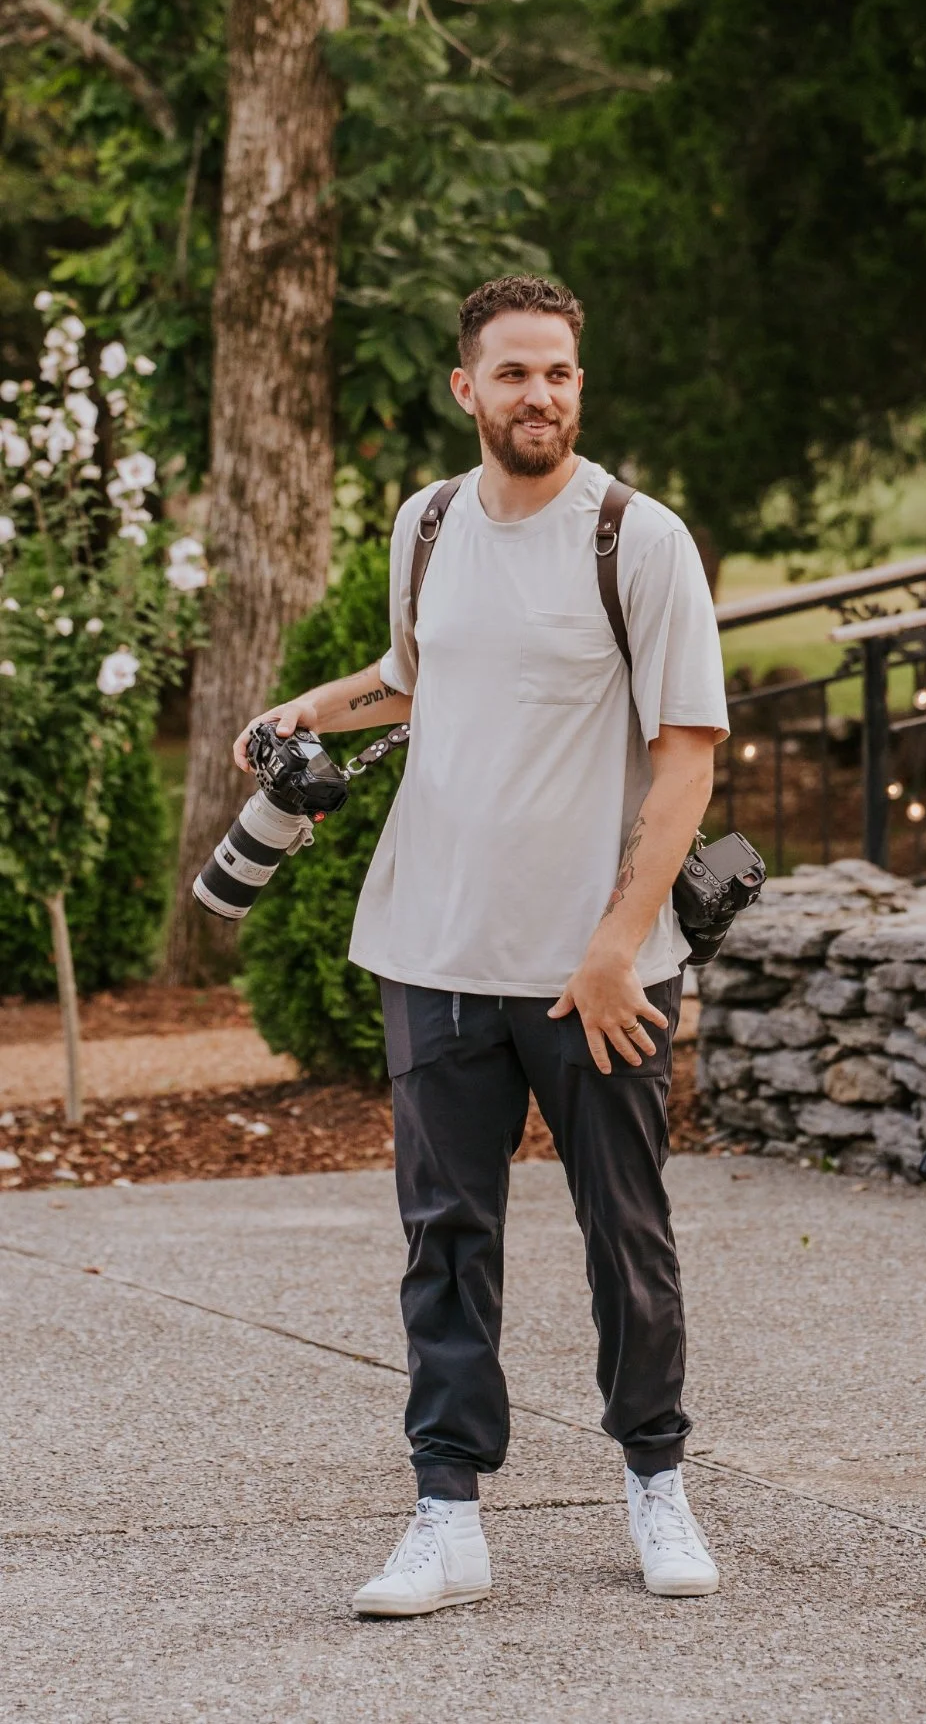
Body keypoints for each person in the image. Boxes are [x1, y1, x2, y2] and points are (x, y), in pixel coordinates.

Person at [233, 274, 729, 1615]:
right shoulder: (430, 518)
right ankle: (445, 1514)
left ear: (581, 381)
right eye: (513, 373)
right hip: (434, 947)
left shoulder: (637, 536)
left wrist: (620, 944)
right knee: (443, 1234)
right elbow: (414, 673)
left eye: (559, 372)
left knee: (623, 1230)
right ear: (466, 389)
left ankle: (655, 1483)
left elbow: (686, 752)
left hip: (593, 972)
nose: (540, 395)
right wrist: (309, 711)